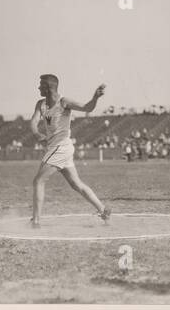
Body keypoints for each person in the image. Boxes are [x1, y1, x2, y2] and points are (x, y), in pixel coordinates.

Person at [28, 73, 112, 226]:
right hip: (57, 149)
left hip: (61, 148)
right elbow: (33, 121)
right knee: (76, 184)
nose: (38, 87)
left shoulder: (64, 102)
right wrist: (37, 134)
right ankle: (103, 209)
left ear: (48, 87)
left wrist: (95, 97)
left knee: (38, 181)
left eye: (41, 85)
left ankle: (36, 221)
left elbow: (87, 107)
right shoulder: (41, 104)